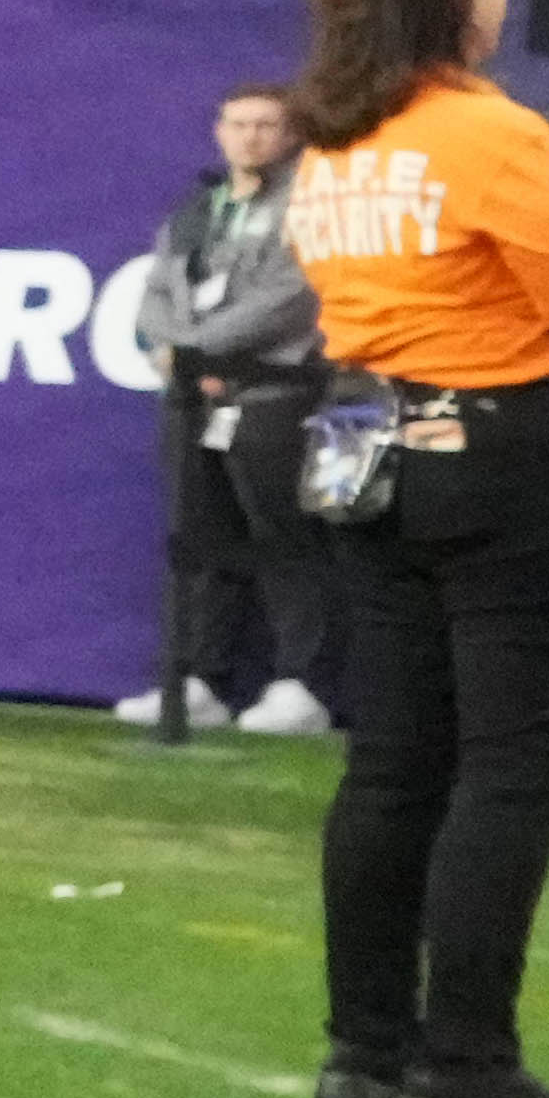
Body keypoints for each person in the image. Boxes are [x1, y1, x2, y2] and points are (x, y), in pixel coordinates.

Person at [274, 0, 549, 1098]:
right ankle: (467, 1063)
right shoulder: (497, 137)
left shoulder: (336, 144)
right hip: (513, 455)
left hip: (371, 443)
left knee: (395, 762)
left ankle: (366, 1045)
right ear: (454, 2)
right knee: (514, 766)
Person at [135, 84, 345, 741]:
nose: (249, 137)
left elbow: (291, 294)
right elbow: (156, 290)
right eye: (237, 124)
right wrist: (178, 353)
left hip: (276, 395)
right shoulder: (199, 208)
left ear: (291, 135)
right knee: (199, 537)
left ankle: (300, 685)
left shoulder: (310, 206)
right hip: (193, 399)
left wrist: (197, 349)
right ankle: (198, 679)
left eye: (265, 125)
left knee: (285, 537)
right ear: (219, 131)